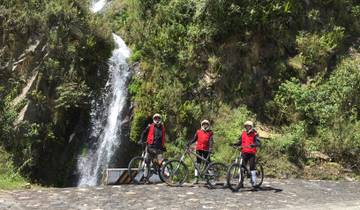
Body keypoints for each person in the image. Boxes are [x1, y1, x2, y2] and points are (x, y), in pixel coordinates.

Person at [232, 120, 261, 188]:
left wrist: (254, 145)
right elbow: (240, 142)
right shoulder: (243, 133)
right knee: (241, 167)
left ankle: (254, 183)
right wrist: (234, 144)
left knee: (252, 168)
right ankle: (240, 182)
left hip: (251, 153)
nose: (247, 127)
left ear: (251, 126)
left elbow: (258, 143)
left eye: (248, 126)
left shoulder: (255, 134)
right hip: (244, 152)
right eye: (246, 126)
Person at [138, 113, 166, 178]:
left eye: (158, 118)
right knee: (146, 162)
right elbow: (144, 133)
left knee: (162, 162)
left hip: (158, 148)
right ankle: (145, 177)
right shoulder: (150, 126)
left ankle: (167, 175)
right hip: (150, 147)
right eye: (155, 118)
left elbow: (163, 138)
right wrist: (141, 140)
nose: (157, 119)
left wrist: (163, 146)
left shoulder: (162, 128)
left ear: (160, 119)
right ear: (153, 119)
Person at [188, 120, 213, 184]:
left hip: (206, 150)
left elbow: (211, 141)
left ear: (208, 125)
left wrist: (210, 148)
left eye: (206, 124)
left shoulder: (210, 132)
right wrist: (189, 143)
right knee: (198, 163)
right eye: (204, 124)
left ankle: (210, 178)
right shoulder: (198, 131)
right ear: (202, 125)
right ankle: (196, 178)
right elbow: (194, 139)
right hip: (199, 149)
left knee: (208, 163)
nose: (205, 125)